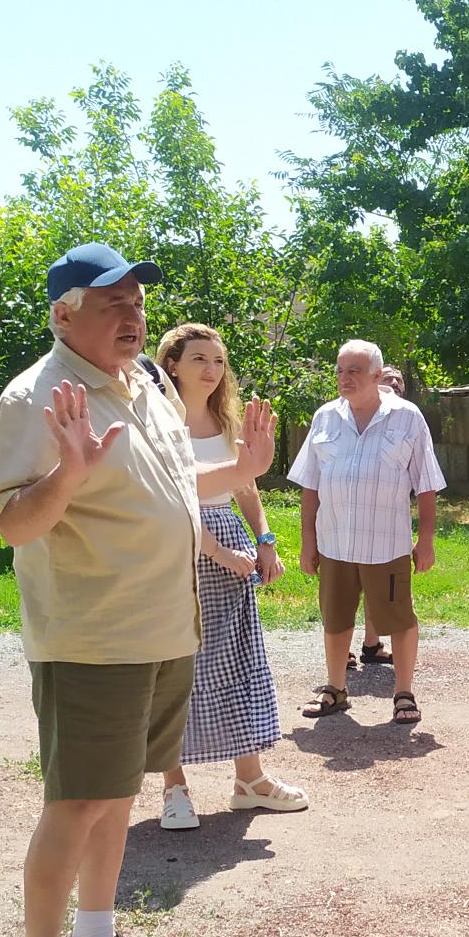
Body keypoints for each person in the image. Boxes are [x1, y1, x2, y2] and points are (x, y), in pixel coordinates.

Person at [0, 242, 274, 937]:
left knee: (116, 799)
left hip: (159, 630)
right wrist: (67, 476)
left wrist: (241, 467)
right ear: (63, 314)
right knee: (76, 803)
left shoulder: (141, 386)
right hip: (92, 639)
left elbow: (176, 489)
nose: (133, 316)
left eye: (138, 303)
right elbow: (14, 521)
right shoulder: (36, 398)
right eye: (111, 304)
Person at [153, 322, 306, 829]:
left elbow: (245, 487)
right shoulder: (157, 420)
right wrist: (217, 551)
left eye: (218, 361)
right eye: (199, 360)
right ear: (171, 363)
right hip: (178, 546)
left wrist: (264, 540)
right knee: (178, 670)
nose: (212, 370)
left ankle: (250, 781)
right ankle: (174, 789)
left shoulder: (225, 420)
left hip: (231, 544)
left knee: (240, 664)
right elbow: (169, 499)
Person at [288, 340, 444, 725]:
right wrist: (308, 541)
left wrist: (426, 539)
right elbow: (311, 484)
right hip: (335, 540)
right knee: (335, 617)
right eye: (340, 370)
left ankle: (404, 692)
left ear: (376, 375)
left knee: (399, 618)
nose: (345, 378)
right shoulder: (325, 417)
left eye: (354, 370)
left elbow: (426, 483)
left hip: (385, 543)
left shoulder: (407, 417)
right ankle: (335, 689)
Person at [356, 364, 411, 671]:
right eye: (388, 377)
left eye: (398, 380)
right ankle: (345, 649)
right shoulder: (356, 414)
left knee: (379, 586)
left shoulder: (407, 417)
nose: (394, 383)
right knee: (348, 587)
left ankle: (371, 644)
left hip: (388, 518)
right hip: (350, 516)